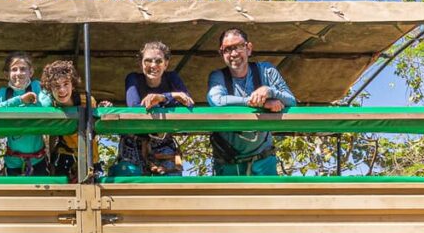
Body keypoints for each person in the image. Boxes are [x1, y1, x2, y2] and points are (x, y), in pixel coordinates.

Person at [206, 27, 297, 176]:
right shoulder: (218, 77)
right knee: (228, 200)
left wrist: (269, 91)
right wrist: (259, 102)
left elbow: (291, 101)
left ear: (249, 48)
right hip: (228, 161)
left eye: (239, 47)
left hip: (263, 159)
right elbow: (217, 101)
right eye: (227, 49)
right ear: (221, 53)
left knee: (269, 199)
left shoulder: (266, 71)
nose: (234, 54)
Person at [118, 41, 191, 175]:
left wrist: (162, 97)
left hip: (163, 142)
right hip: (134, 143)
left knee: (172, 187)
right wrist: (172, 97)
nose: (153, 65)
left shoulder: (172, 77)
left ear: (166, 64)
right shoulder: (133, 79)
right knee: (133, 187)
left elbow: (188, 102)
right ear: (141, 64)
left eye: (158, 61)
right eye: (148, 61)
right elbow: (135, 107)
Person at [37, 59, 109, 181]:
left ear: (73, 84)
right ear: (50, 88)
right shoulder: (51, 107)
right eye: (56, 86)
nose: (62, 90)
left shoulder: (86, 101)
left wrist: (103, 109)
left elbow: (97, 124)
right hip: (65, 155)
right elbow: (52, 136)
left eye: (66, 84)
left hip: (90, 157)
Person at [0, 51, 46, 175]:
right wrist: (19, 100)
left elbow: (46, 105)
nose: (18, 73)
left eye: (23, 69)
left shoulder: (37, 87)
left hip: (38, 159)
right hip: (13, 160)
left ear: (30, 72)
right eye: (14, 69)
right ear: (7, 74)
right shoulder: (4, 93)